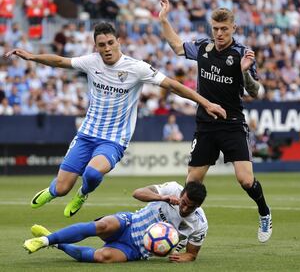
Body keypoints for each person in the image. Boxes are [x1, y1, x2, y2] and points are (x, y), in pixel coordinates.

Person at [5, 22, 226, 218]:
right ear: (96, 47)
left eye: (110, 42)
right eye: (102, 45)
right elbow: (60, 61)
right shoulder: (91, 62)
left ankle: (83, 194)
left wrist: (205, 103)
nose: (107, 48)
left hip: (114, 140)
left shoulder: (136, 68)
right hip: (86, 134)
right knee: (61, 189)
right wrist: (32, 57)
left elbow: (172, 85)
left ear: (118, 42)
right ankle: (52, 191)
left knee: (91, 173)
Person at [159, 0, 272, 242]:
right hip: (206, 125)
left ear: (234, 29)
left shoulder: (243, 53)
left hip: (232, 124)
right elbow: (177, 46)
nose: (219, 33)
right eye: (216, 29)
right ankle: (184, 234)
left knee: (245, 180)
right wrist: (164, 20)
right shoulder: (203, 48)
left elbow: (255, 91)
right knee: (191, 186)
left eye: (224, 29)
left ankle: (264, 212)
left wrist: (244, 72)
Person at [23, 181, 208, 263]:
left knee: (102, 257)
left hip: (136, 250)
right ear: (181, 194)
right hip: (129, 222)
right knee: (102, 225)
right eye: (183, 202)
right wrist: (163, 197)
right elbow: (137, 193)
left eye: (190, 207)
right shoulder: (173, 189)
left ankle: (56, 243)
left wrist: (186, 257)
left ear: (198, 205)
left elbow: (191, 254)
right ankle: (45, 241)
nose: (184, 208)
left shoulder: (199, 223)